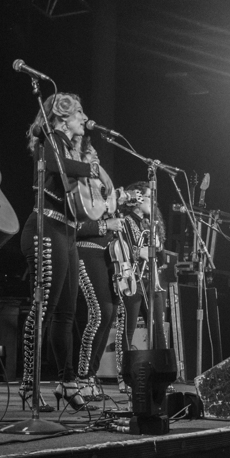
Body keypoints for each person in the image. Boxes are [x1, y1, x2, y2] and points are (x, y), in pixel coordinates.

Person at [20, 93, 99, 413]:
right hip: (44, 228)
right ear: (62, 117)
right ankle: (28, 384)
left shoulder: (71, 148)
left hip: (66, 233)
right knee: (43, 310)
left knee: (67, 312)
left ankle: (67, 383)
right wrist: (89, 168)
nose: (84, 117)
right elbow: (60, 166)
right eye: (79, 111)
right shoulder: (47, 141)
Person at [73, 137, 125, 399]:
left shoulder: (102, 187)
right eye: (88, 154)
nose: (94, 156)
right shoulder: (75, 186)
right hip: (86, 251)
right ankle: (80, 377)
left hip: (107, 254)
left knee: (110, 312)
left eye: (95, 153)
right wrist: (106, 226)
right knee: (98, 313)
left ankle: (91, 377)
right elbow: (71, 226)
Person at [119, 181, 168, 355]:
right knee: (128, 330)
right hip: (133, 280)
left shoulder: (150, 224)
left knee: (158, 330)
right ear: (137, 199)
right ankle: (124, 374)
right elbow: (123, 249)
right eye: (149, 197)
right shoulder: (125, 221)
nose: (153, 202)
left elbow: (160, 259)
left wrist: (157, 245)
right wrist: (141, 251)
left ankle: (162, 374)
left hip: (151, 280)